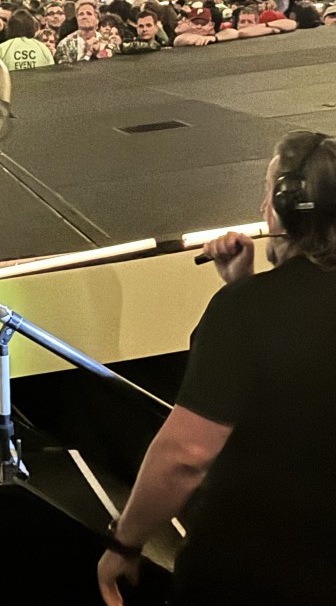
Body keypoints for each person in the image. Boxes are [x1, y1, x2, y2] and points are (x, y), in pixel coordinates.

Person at [97, 129, 336, 606]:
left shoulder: (246, 312)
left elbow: (185, 456)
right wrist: (241, 285)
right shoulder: (251, 307)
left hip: (250, 575)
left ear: (284, 208)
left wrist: (124, 544)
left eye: (267, 193)